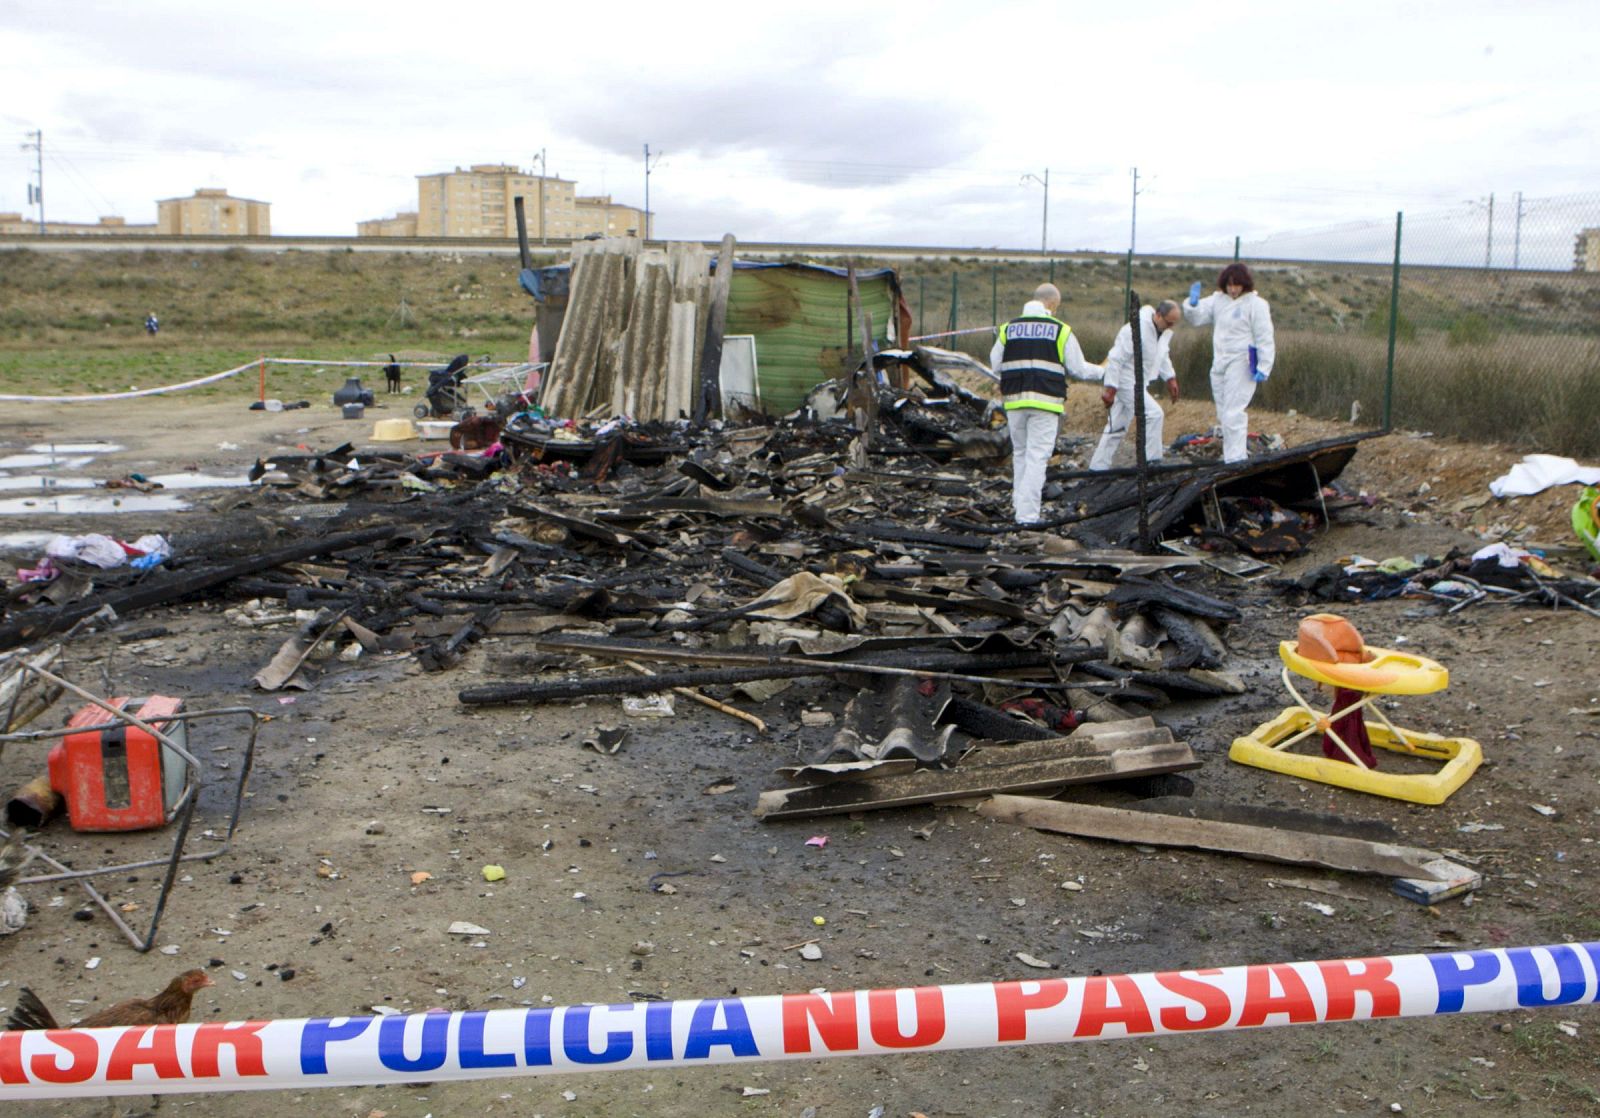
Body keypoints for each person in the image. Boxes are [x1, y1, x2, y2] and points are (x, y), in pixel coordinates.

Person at [989, 283, 1101, 526]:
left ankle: (1019, 506)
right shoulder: (1061, 330)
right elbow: (1078, 368)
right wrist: (1104, 371)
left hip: (1015, 401)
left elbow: (995, 364)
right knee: (1037, 458)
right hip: (1046, 402)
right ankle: (1027, 517)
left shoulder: (1009, 328)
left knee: (1020, 454)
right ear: (1051, 304)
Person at [1181, 262, 1275, 463]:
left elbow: (1264, 336)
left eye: (1237, 285)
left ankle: (1236, 459)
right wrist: (1192, 304)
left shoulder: (1256, 304)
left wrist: (1264, 365)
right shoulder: (1218, 300)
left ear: (1245, 284)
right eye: (1230, 285)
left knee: (1234, 412)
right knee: (1224, 413)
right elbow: (1197, 318)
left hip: (1242, 361)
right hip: (1220, 361)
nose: (1233, 289)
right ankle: (1231, 456)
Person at [1089, 300, 1182, 471]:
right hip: (1125, 382)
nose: (1171, 327)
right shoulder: (1135, 329)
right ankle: (1151, 461)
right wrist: (1110, 388)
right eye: (1168, 322)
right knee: (1154, 414)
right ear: (1158, 315)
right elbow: (1116, 358)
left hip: (1138, 382)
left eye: (1173, 324)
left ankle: (1097, 468)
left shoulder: (1163, 331)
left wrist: (1170, 378)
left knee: (1116, 427)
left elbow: (1163, 354)